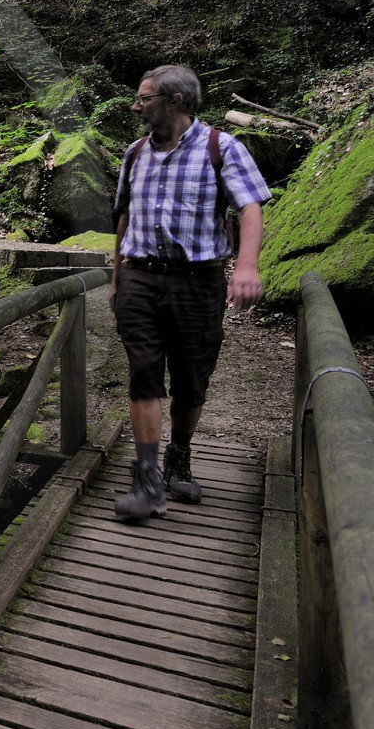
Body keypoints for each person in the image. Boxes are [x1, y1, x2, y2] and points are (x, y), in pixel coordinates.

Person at [109, 64, 271, 520]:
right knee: (143, 371)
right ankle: (146, 478)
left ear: (175, 101)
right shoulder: (135, 153)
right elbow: (123, 217)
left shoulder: (222, 148)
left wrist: (247, 266)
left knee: (190, 379)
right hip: (140, 276)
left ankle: (178, 457)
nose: (136, 106)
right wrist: (117, 279)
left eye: (144, 98)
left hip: (197, 281)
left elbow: (250, 209)